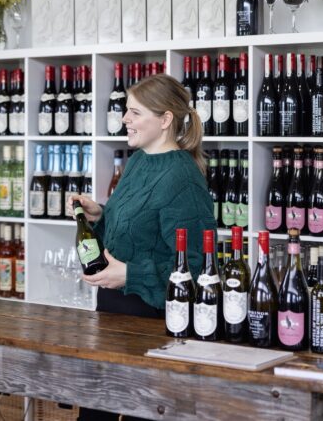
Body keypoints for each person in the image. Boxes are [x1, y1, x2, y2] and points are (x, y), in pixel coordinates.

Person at [69, 74, 216, 421]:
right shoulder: (138, 163)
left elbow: (196, 269)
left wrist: (131, 274)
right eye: (125, 111)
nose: (124, 120)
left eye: (134, 113)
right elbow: (134, 234)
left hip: (151, 330)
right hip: (113, 320)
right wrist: (100, 215)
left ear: (165, 120)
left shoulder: (183, 179)